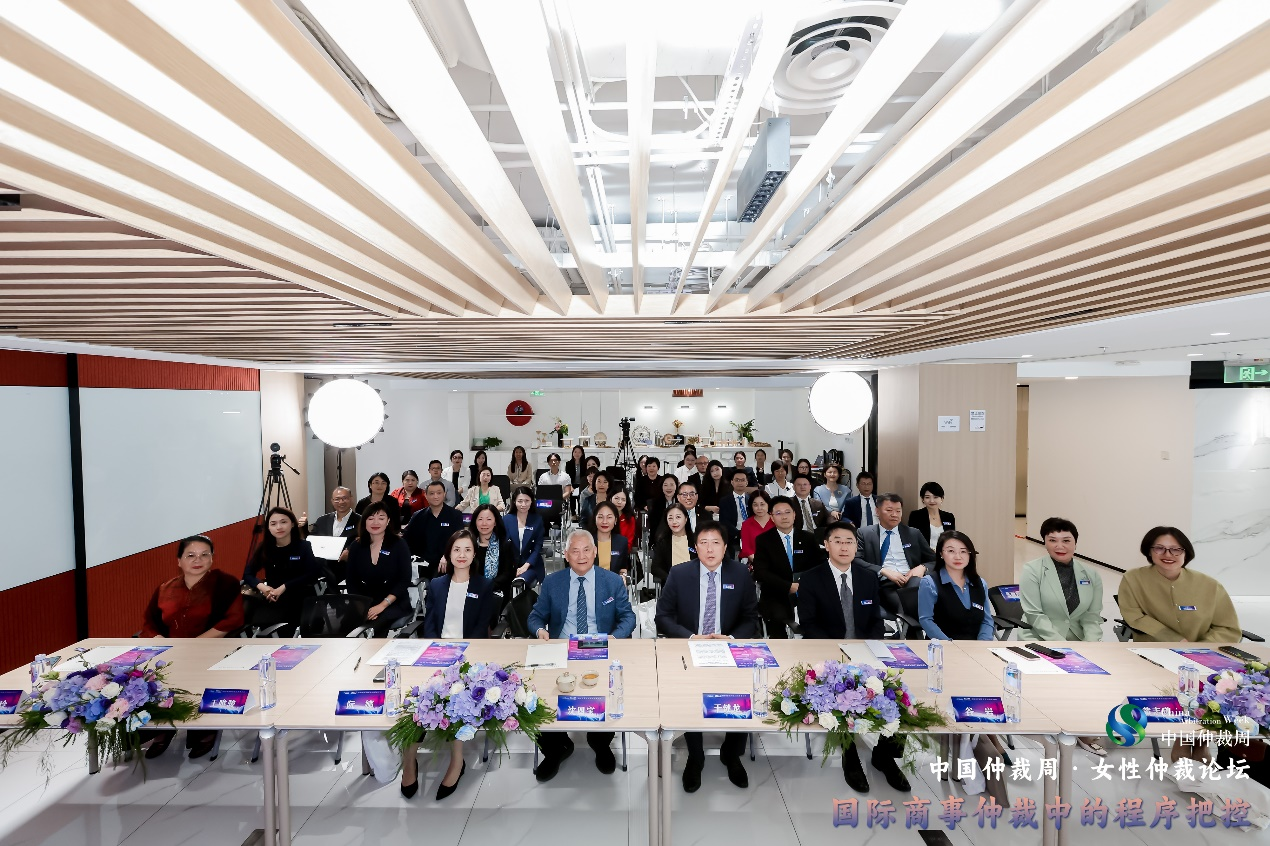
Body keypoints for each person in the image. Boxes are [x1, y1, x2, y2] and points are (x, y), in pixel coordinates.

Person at [796, 522, 908, 792]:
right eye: (837, 541)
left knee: (898, 693)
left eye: (849, 541)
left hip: (865, 652)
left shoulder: (867, 577)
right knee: (840, 694)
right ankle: (850, 755)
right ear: (826, 545)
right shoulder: (811, 578)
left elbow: (875, 621)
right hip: (828, 654)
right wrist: (837, 655)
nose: (844, 547)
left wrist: (867, 650)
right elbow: (809, 624)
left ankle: (884, 755)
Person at [655, 523, 760, 793]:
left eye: (716, 543)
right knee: (693, 694)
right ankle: (696, 755)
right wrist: (691, 638)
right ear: (695, 547)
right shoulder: (680, 573)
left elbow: (751, 618)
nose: (710, 549)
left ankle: (731, 753)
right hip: (691, 646)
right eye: (703, 543)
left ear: (725, 548)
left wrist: (731, 639)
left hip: (729, 646)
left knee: (742, 692)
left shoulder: (740, 573)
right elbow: (662, 617)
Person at [529, 529, 636, 782]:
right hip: (562, 647)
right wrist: (540, 630)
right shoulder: (553, 582)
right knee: (537, 695)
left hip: (598, 647)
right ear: (566, 555)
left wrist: (614, 637)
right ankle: (556, 748)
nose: (581, 556)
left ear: (595, 552)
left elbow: (628, 617)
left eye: (586, 550)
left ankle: (600, 743)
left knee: (607, 690)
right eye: (575, 551)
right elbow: (535, 616)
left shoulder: (611, 581)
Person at [401, 529, 497, 800]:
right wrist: (437, 654)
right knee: (417, 696)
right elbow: (430, 624)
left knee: (458, 696)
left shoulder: (483, 586)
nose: (462, 555)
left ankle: (457, 760)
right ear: (449, 554)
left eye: (467, 549)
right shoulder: (437, 584)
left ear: (474, 554)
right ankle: (409, 759)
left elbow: (481, 630)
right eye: (456, 550)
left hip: (468, 658)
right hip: (436, 655)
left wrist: (460, 660)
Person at [917, 530, 1009, 806]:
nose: (957, 556)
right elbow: (926, 620)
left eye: (963, 551)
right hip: (945, 653)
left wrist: (980, 647)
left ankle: (981, 740)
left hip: (975, 653)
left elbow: (987, 620)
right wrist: (953, 647)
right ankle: (977, 745)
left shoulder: (979, 582)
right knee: (960, 700)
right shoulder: (931, 582)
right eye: (951, 550)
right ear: (941, 554)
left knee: (986, 693)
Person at [139, 535, 245, 760]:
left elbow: (232, 619)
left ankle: (205, 730)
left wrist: (192, 646)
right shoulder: (165, 588)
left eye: (204, 555)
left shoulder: (225, 584)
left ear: (212, 559)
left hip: (212, 650)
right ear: (179, 561)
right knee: (157, 676)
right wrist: (162, 642)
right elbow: (149, 622)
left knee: (199, 677)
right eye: (191, 555)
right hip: (172, 651)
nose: (198, 560)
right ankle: (163, 728)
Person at [1019, 517, 1108, 758]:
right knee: (1062, 671)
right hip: (1038, 637)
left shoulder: (1091, 574)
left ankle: (1083, 727)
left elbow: (1092, 616)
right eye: (1053, 540)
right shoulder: (1032, 570)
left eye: (1066, 540)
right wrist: (1063, 647)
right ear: (1044, 542)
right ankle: (1056, 724)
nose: (1060, 546)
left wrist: (1090, 646)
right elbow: (1034, 614)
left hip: (1079, 638)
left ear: (1075, 543)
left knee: (1094, 671)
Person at [1118, 526, 1240, 643]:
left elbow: (1228, 629)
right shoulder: (1132, 579)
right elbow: (1134, 616)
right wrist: (1174, 639)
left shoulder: (1210, 585)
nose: (1168, 554)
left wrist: (1199, 648)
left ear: (1185, 553)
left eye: (1176, 549)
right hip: (1152, 649)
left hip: (1203, 652)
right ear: (1149, 552)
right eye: (1159, 548)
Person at [751, 496, 824, 638]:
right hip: (776, 593)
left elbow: (820, 565)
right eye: (778, 513)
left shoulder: (808, 538)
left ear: (794, 514)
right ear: (772, 517)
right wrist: (788, 586)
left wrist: (805, 585)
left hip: (807, 591)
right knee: (778, 619)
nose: (784, 517)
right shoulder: (764, 540)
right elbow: (761, 572)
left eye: (787, 512)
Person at [242, 507, 319, 632]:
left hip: (300, 597)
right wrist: (263, 588)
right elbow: (248, 574)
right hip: (273, 597)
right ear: (268, 527)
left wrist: (284, 587)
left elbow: (312, 574)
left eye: (283, 522)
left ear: (292, 524)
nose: (279, 527)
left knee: (289, 628)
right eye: (273, 524)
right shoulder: (265, 547)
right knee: (261, 627)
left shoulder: (304, 546)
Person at [345, 501, 413, 636]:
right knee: (344, 625)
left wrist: (382, 605)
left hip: (393, 602)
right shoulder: (356, 546)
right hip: (365, 602)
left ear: (388, 521)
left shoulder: (398, 544)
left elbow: (404, 580)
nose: (375, 522)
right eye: (371, 518)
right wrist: (361, 608)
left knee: (374, 626)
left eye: (381, 518)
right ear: (364, 521)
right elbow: (351, 580)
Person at [856, 494, 933, 592]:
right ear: (877, 511)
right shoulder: (864, 533)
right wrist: (882, 570)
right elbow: (856, 559)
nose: (894, 515)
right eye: (889, 510)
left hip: (911, 580)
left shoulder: (913, 533)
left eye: (898, 511)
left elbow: (934, 560)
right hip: (883, 582)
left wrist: (923, 567)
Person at [404, 480, 463, 580]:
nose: (435, 496)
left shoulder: (455, 515)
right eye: (431, 493)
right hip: (422, 566)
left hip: (447, 564)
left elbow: (460, 540)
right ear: (426, 495)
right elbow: (406, 539)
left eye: (439, 493)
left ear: (444, 494)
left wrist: (447, 556)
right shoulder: (418, 516)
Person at [470, 502, 516, 606]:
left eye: (489, 519)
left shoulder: (504, 545)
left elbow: (508, 574)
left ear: (495, 522)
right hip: (471, 591)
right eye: (480, 519)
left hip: (496, 593)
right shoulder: (469, 545)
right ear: (475, 522)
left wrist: (487, 586)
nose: (484, 523)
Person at [308, 486, 359, 577]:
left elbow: (365, 540)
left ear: (351, 499)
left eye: (344, 498)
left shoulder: (361, 521)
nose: (341, 502)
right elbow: (312, 540)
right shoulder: (322, 520)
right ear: (332, 501)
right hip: (322, 569)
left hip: (349, 568)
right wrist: (303, 527)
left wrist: (350, 550)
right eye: (337, 499)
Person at [504, 487, 546, 587]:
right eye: (520, 501)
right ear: (514, 502)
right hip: (510, 564)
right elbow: (503, 545)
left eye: (527, 501)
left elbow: (537, 547)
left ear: (531, 501)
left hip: (531, 564)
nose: (523, 504)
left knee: (522, 581)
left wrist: (526, 566)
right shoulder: (506, 520)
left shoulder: (537, 520)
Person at [651, 504, 695, 584]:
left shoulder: (695, 540)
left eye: (678, 517)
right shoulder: (662, 541)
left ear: (686, 519)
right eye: (670, 518)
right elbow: (655, 568)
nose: (674, 522)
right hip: (671, 584)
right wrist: (671, 579)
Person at [906, 482, 956, 549]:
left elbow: (952, 539)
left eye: (935, 497)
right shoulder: (916, 516)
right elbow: (913, 540)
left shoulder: (949, 517)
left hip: (944, 553)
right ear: (922, 499)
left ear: (942, 499)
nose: (932, 501)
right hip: (924, 554)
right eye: (927, 497)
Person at [590, 501, 632, 577]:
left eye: (609, 517)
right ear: (594, 519)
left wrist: (623, 575)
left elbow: (624, 567)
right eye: (600, 517)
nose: (604, 521)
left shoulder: (622, 542)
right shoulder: (587, 541)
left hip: (613, 582)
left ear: (615, 520)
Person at [717, 468, 753, 555]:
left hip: (751, 534)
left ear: (747, 482)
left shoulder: (752, 500)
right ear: (732, 482)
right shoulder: (724, 501)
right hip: (733, 536)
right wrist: (740, 533)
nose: (740, 483)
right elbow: (724, 522)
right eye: (737, 480)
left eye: (743, 480)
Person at [739, 490, 775, 563]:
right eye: (755, 505)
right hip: (755, 563)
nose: (759, 508)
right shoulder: (746, 525)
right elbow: (747, 550)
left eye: (762, 504)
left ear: (768, 504)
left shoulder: (776, 521)